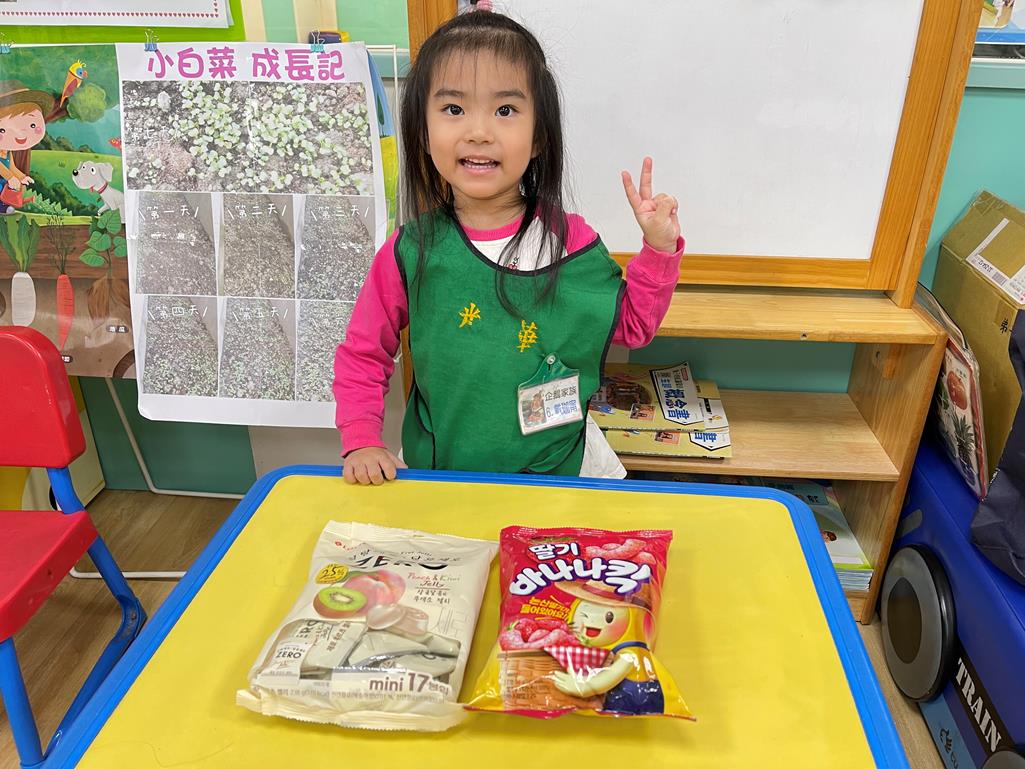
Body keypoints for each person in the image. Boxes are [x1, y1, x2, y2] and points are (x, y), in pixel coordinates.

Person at [334, 8, 683, 485]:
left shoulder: (569, 239)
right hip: (444, 474)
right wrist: (361, 439)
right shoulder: (410, 251)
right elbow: (363, 353)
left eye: (505, 110)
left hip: (563, 470)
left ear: (539, 137)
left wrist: (659, 249)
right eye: (453, 109)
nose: (479, 132)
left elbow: (632, 327)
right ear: (423, 133)